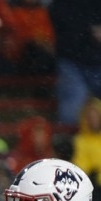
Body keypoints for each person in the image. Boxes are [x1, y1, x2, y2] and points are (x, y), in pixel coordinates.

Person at [48, 0, 101, 129]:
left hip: (96, 60)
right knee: (71, 114)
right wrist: (90, 31)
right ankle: (70, 145)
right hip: (71, 62)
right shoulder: (61, 4)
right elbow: (66, 29)